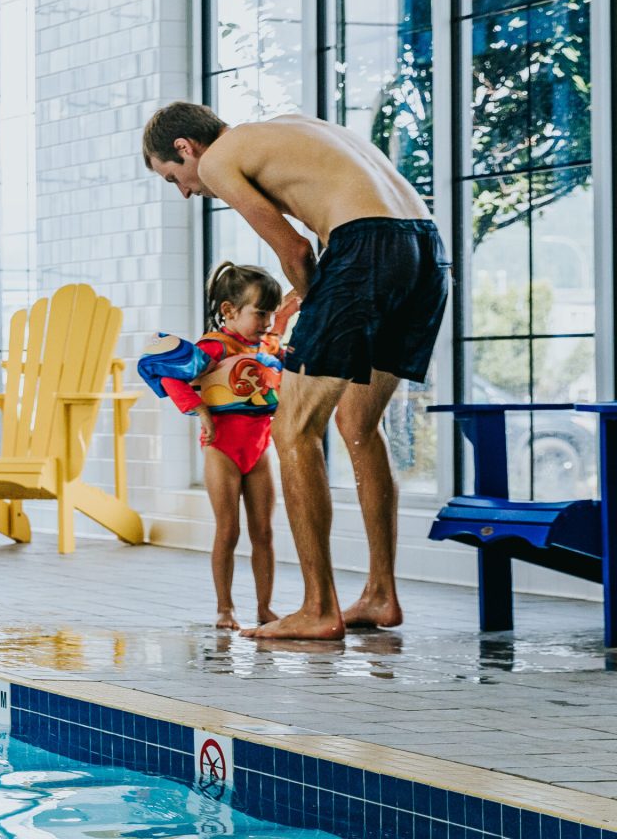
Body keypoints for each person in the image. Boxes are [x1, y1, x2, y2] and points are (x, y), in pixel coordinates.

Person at [143, 102, 449, 640]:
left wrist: (314, 307)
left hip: (365, 244)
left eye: (174, 177)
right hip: (425, 249)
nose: (186, 191)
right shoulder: (294, 126)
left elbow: (296, 250)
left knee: (292, 428)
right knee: (358, 425)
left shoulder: (218, 160)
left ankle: (318, 608)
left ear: (186, 149)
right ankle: (381, 595)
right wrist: (319, 307)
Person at [145, 262, 292, 630]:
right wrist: (200, 411)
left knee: (264, 533)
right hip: (222, 448)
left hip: (258, 449)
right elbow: (170, 374)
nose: (265, 322)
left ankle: (265, 608)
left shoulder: (266, 346)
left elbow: (277, 361)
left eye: (269, 314)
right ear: (229, 310)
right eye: (259, 313)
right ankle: (225, 609)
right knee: (229, 530)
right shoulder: (214, 346)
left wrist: (286, 315)